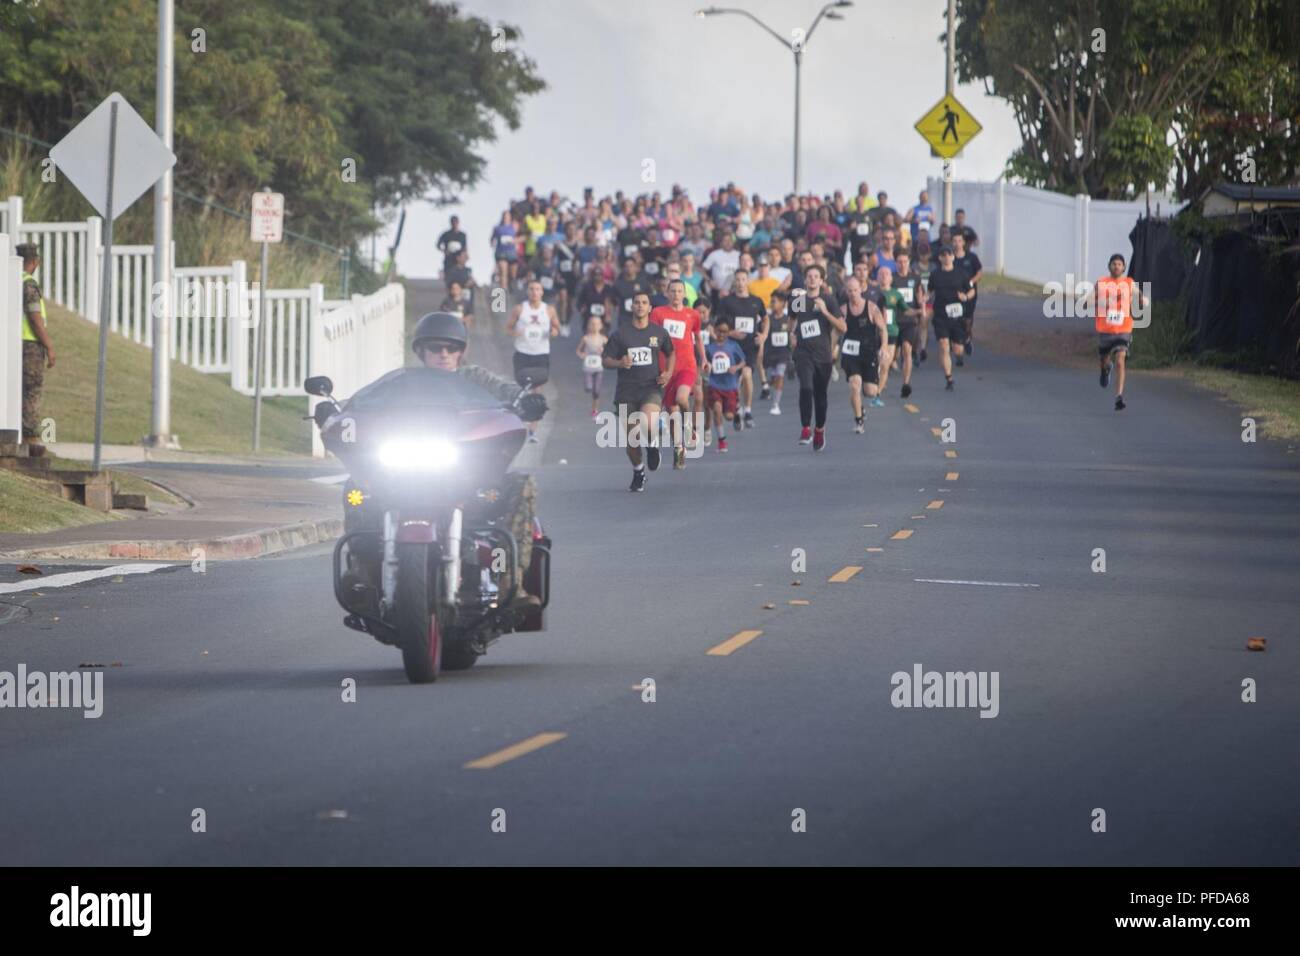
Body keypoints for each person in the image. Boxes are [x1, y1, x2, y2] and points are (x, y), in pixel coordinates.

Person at [409, 311, 547, 594]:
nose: (444, 354)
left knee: (523, 485)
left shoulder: (474, 377)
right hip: (409, 471)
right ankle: (363, 569)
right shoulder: (404, 382)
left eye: (452, 348)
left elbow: (506, 390)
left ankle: (511, 579)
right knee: (359, 489)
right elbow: (367, 400)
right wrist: (338, 410)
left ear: (461, 351)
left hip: (471, 472)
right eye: (436, 347)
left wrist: (527, 400)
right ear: (421, 351)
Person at [603, 292, 675, 491]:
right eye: (637, 303)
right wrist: (619, 362)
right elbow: (606, 359)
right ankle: (638, 471)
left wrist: (668, 373)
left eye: (644, 303)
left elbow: (670, 353)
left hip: (651, 387)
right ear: (632, 307)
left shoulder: (659, 333)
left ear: (650, 308)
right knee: (632, 439)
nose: (640, 306)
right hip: (626, 391)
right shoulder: (620, 334)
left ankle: (652, 446)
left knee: (648, 421)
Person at [649, 278, 705, 469]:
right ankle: (679, 449)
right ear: (667, 293)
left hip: (687, 365)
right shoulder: (658, 313)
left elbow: (697, 337)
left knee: (682, 399)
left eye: (679, 291)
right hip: (665, 370)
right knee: (672, 412)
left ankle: (688, 425)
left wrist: (704, 359)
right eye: (672, 291)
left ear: (684, 293)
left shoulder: (693, 315)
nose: (676, 294)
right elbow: (652, 339)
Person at [790, 264, 845, 451]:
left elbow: (842, 327)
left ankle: (819, 429)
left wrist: (825, 312)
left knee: (820, 397)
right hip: (803, 353)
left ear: (822, 281)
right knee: (806, 387)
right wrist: (792, 333)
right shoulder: (798, 300)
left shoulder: (828, 300)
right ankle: (806, 428)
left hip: (823, 355)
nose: (812, 279)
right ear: (805, 280)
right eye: (809, 276)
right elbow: (792, 319)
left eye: (816, 276)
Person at [506, 280, 560, 442]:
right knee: (523, 390)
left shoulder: (549, 310)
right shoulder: (520, 309)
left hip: (541, 353)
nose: (534, 292)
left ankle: (532, 431)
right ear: (528, 292)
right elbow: (508, 328)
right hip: (523, 353)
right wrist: (516, 332)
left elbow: (556, 328)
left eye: (537, 289)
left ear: (542, 292)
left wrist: (553, 332)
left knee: (537, 391)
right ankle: (521, 423)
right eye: (531, 289)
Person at [715, 268, 767, 430]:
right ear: (734, 282)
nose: (740, 283)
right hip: (731, 347)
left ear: (748, 281)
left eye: (743, 279)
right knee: (733, 381)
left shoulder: (756, 301)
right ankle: (736, 409)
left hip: (750, 346)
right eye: (737, 280)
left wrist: (764, 335)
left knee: (747, 374)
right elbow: (717, 325)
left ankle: (748, 411)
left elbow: (765, 318)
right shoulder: (726, 302)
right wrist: (730, 332)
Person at [1095, 253, 1145, 411]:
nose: (1116, 266)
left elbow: (1138, 295)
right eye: (1114, 264)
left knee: (1120, 360)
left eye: (1119, 264)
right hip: (1105, 328)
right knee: (1104, 360)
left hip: (1123, 329)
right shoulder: (1102, 282)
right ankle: (1105, 369)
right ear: (1109, 266)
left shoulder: (1129, 283)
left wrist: (1141, 301)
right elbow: (1091, 297)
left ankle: (1119, 397)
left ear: (1123, 267)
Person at [17, 243, 55, 452]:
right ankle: (30, 438)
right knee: (31, 390)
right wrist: (49, 345)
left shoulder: (10, 280)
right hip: (30, 346)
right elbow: (34, 317)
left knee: (16, 389)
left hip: (13, 344)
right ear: (35, 262)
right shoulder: (29, 285)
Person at [840, 275, 887, 433]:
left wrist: (884, 347)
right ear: (846, 292)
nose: (853, 293)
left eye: (855, 290)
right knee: (854, 385)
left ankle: (861, 407)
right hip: (850, 353)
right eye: (850, 291)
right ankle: (859, 421)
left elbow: (882, 329)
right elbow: (835, 331)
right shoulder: (844, 310)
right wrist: (831, 349)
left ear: (860, 289)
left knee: (870, 392)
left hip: (868, 352)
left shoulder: (871, 308)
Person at [929, 246, 973, 391]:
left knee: (957, 349)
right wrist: (924, 298)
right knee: (943, 345)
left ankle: (963, 345)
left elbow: (971, 290)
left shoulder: (961, 273)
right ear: (940, 258)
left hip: (957, 316)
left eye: (949, 255)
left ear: (953, 257)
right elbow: (930, 291)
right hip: (941, 315)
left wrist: (966, 296)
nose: (946, 257)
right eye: (943, 255)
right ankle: (949, 378)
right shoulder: (935, 275)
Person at [704, 317, 746, 453]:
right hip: (715, 384)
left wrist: (736, 367)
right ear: (715, 330)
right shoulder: (709, 348)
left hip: (730, 385)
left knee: (729, 416)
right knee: (716, 409)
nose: (721, 334)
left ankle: (737, 412)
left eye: (725, 332)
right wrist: (707, 366)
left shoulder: (733, 346)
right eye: (719, 331)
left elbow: (743, 361)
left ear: (729, 333)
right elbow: (705, 363)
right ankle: (722, 441)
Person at [872, 265, 906, 400]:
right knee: (874, 362)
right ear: (877, 277)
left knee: (885, 363)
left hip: (891, 331)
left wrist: (919, 310)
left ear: (891, 278)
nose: (884, 276)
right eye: (881, 274)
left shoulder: (896, 294)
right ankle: (874, 382)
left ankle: (878, 392)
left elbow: (905, 309)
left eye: (887, 274)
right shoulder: (872, 293)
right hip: (873, 333)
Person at [892, 251, 923, 398]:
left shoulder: (915, 278)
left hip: (909, 321)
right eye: (899, 261)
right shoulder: (892, 278)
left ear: (909, 262)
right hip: (894, 321)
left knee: (907, 350)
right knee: (893, 355)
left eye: (905, 261)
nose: (902, 264)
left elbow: (920, 296)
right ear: (895, 262)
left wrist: (921, 310)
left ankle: (906, 383)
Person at [951, 231, 983, 358]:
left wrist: (971, 281)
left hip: (970, 292)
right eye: (955, 241)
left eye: (959, 241)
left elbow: (979, 272)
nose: (957, 243)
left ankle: (967, 338)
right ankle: (956, 343)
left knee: (967, 320)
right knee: (955, 318)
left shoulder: (971, 257)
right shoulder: (950, 257)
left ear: (963, 242)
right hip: (954, 293)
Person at [763, 290, 793, 414]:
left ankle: (776, 404)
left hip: (783, 354)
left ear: (782, 303)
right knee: (775, 376)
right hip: (770, 354)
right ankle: (768, 381)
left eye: (774, 301)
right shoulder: (768, 319)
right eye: (771, 301)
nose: (772, 304)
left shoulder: (788, 320)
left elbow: (792, 335)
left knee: (780, 375)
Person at [576, 316, 608, 418]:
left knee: (596, 391)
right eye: (592, 324)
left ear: (601, 326)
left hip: (599, 368)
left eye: (596, 324)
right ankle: (587, 385)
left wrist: (605, 355)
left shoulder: (603, 339)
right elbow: (578, 350)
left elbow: (610, 350)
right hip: (588, 368)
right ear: (588, 325)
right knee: (589, 387)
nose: (594, 326)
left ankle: (595, 410)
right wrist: (582, 355)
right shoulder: (585, 338)